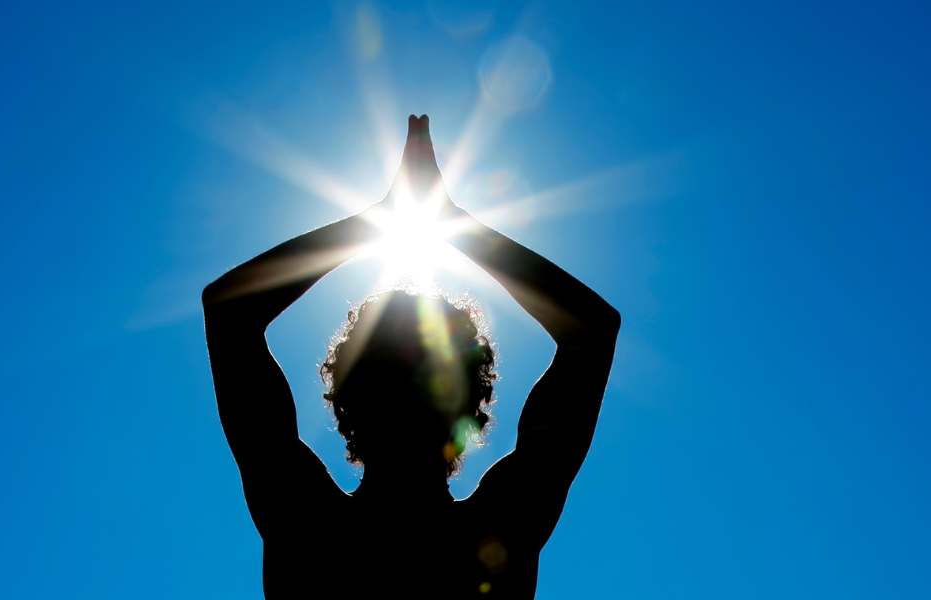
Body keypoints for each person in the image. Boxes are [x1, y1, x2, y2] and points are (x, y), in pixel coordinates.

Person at [202, 114, 620, 598]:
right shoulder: (499, 529)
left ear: (348, 398)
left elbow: (230, 312)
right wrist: (450, 221)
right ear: (467, 405)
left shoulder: (307, 523)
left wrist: (379, 219)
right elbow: (590, 332)